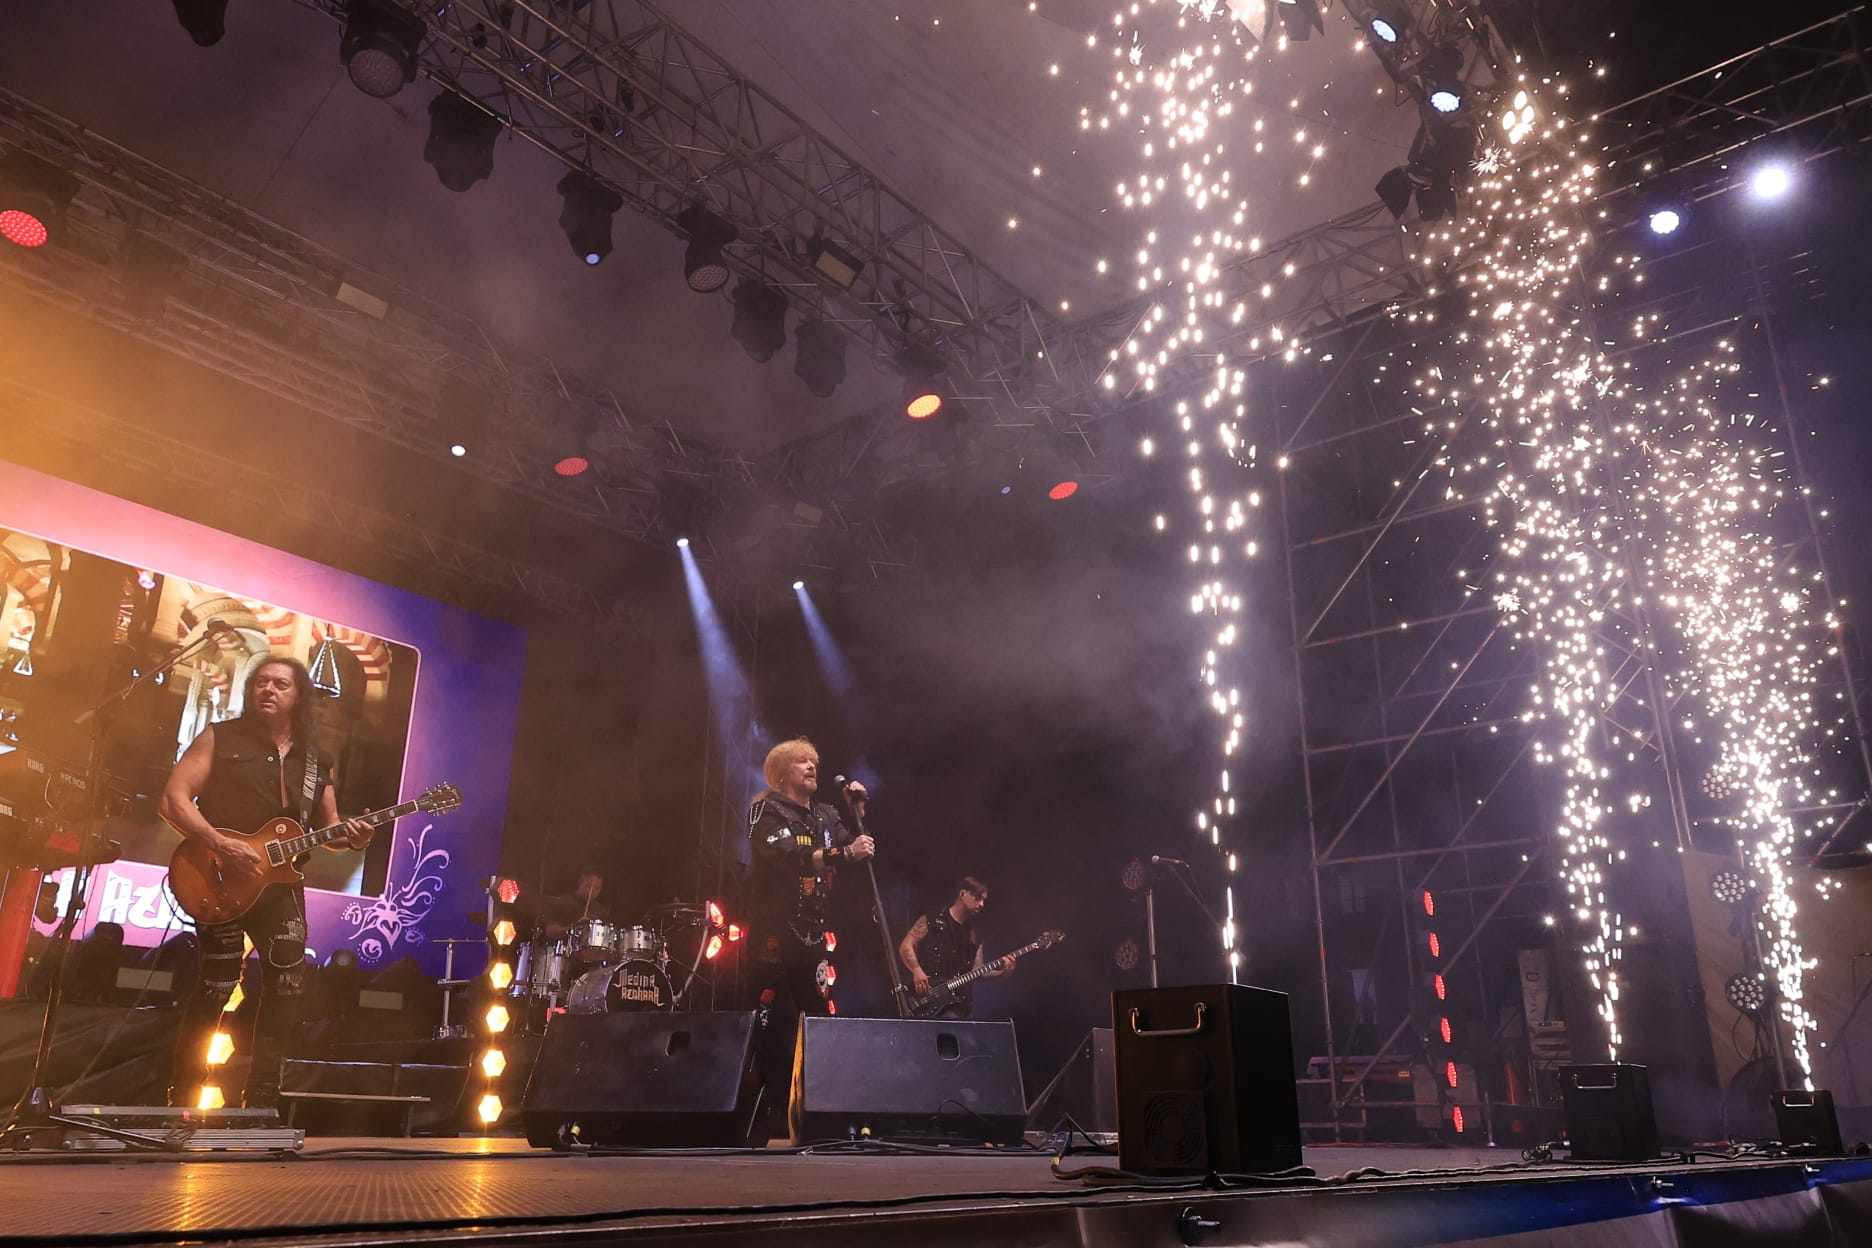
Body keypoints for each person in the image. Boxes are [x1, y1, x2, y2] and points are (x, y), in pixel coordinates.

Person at [159, 655, 372, 1111]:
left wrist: (352, 836)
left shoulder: (316, 760)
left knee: (288, 984)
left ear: (299, 697)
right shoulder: (221, 736)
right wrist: (219, 843)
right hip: (220, 876)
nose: (268, 690)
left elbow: (328, 828)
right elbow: (174, 799)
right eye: (260, 682)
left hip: (280, 887)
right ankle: (182, 1094)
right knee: (216, 983)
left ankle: (261, 1100)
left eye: (279, 684)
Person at [745, 737, 872, 1138]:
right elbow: (786, 860)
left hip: (814, 934)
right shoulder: (765, 810)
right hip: (774, 932)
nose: (811, 767)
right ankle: (760, 1116)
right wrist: (843, 855)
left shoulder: (826, 814)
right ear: (782, 773)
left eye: (813, 761)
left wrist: (858, 812)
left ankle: (815, 1116)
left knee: (816, 1022)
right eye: (801, 762)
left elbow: (853, 845)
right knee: (772, 1024)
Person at [898, 877, 1015, 1019]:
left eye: (984, 900)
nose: (982, 904)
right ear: (963, 894)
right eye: (978, 898)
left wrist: (1001, 974)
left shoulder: (975, 934)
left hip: (959, 1006)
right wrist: (916, 970)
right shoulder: (931, 919)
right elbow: (906, 946)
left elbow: (978, 971)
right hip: (927, 998)